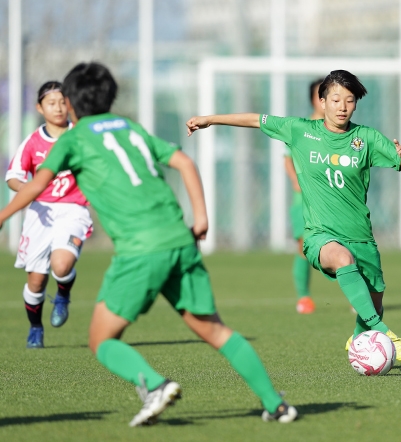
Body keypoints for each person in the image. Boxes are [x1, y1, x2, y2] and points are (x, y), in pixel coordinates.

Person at [0, 62, 297, 426]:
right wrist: (201, 218)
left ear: (73, 103)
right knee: (214, 329)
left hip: (140, 250)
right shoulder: (130, 127)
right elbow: (184, 163)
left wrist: (1, 217)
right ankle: (276, 404)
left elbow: (34, 186)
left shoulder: (73, 140)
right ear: (111, 97)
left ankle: (155, 386)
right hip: (179, 238)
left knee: (101, 340)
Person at [186, 69, 401, 363]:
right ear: (321, 101)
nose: (342, 107)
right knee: (342, 259)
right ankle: (385, 333)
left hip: (362, 237)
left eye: (349, 100)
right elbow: (256, 119)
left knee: (373, 302)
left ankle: (360, 339)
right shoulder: (300, 130)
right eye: (335, 99)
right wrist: (210, 119)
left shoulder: (366, 138)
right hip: (320, 235)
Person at [5, 81, 93, 349]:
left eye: (62, 101)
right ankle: (35, 327)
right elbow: (13, 177)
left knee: (62, 265)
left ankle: (63, 294)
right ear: (40, 108)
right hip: (40, 213)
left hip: (74, 210)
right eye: (51, 103)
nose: (58, 108)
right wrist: (30, 189)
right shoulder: (33, 142)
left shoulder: (81, 136)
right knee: (36, 281)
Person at [286, 77, 324, 314]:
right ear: (314, 99)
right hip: (304, 201)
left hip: (333, 200)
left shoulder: (342, 131)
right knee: (304, 247)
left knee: (347, 245)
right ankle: (304, 297)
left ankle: (356, 297)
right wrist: (296, 181)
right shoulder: (300, 128)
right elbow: (286, 157)